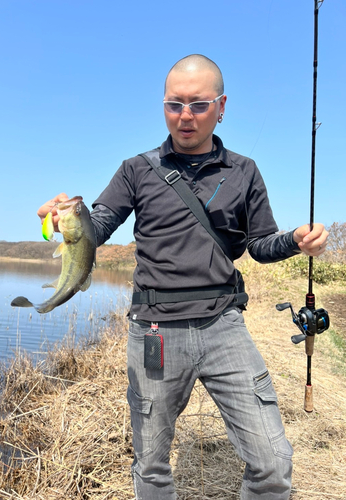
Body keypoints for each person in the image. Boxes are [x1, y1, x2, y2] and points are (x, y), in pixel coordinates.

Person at [38, 54, 328, 500]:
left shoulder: (244, 171)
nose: (185, 116)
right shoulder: (137, 168)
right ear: (163, 105)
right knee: (151, 466)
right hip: (154, 331)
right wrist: (60, 221)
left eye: (198, 104)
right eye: (175, 104)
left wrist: (295, 240)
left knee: (273, 461)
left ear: (222, 105)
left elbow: (261, 246)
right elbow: (97, 226)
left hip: (224, 327)